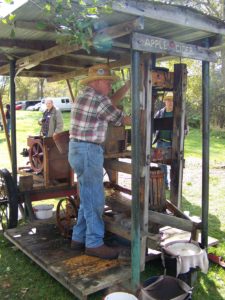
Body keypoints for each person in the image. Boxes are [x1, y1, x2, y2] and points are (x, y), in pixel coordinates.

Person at [68, 64, 130, 259]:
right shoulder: (98, 98)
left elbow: (110, 102)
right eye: (107, 82)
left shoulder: (86, 95)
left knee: (87, 197)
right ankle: (94, 244)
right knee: (95, 199)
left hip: (77, 149)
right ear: (97, 82)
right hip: (88, 151)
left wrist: (128, 86)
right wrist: (143, 118)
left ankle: (78, 239)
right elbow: (118, 117)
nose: (110, 85)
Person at [153, 92, 188, 189]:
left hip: (173, 144)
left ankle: (174, 186)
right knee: (160, 164)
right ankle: (164, 185)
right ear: (165, 102)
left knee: (174, 165)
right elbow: (153, 126)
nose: (170, 102)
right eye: (168, 100)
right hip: (160, 142)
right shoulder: (160, 113)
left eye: (172, 100)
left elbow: (185, 129)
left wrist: (180, 138)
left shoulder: (179, 113)